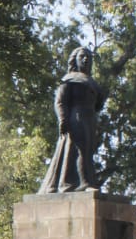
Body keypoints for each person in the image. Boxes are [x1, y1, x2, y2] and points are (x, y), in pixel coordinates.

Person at [39, 46, 107, 194]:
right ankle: (83, 183)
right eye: (82, 56)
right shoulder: (69, 79)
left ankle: (83, 182)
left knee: (87, 152)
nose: (86, 59)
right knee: (80, 148)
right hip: (76, 117)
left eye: (89, 57)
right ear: (75, 60)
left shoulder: (92, 82)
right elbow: (60, 101)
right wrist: (62, 119)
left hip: (89, 119)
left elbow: (99, 103)